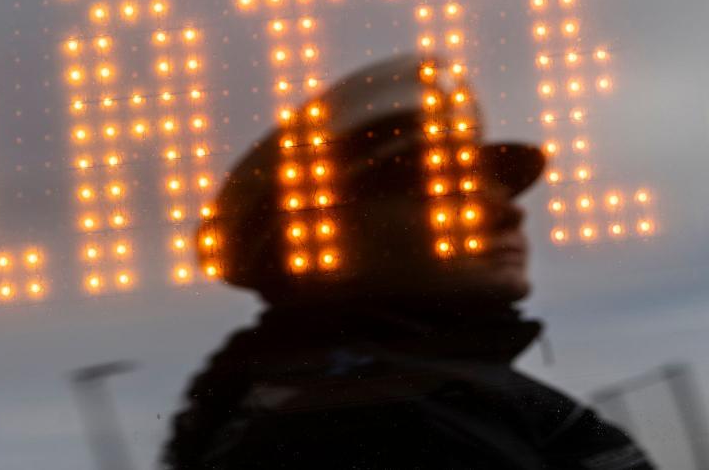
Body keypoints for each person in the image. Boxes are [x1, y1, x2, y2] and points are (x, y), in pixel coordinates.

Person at [163, 55, 653, 469]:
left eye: (498, 189)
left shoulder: (444, 402)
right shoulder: (358, 427)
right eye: (447, 191)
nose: (509, 212)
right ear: (326, 236)